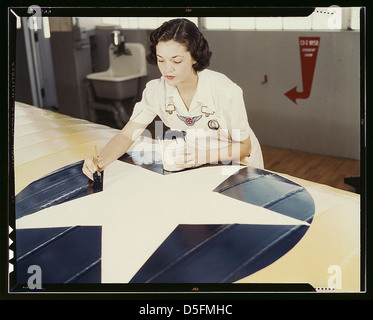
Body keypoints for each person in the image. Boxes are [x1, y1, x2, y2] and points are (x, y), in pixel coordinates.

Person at [83, 18, 263, 180]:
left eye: (176, 61)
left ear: (194, 57)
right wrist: (100, 163)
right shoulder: (156, 90)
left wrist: (203, 156)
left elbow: (244, 147)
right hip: (197, 159)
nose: (167, 69)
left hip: (238, 162)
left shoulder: (225, 90)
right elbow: (127, 134)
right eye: (161, 60)